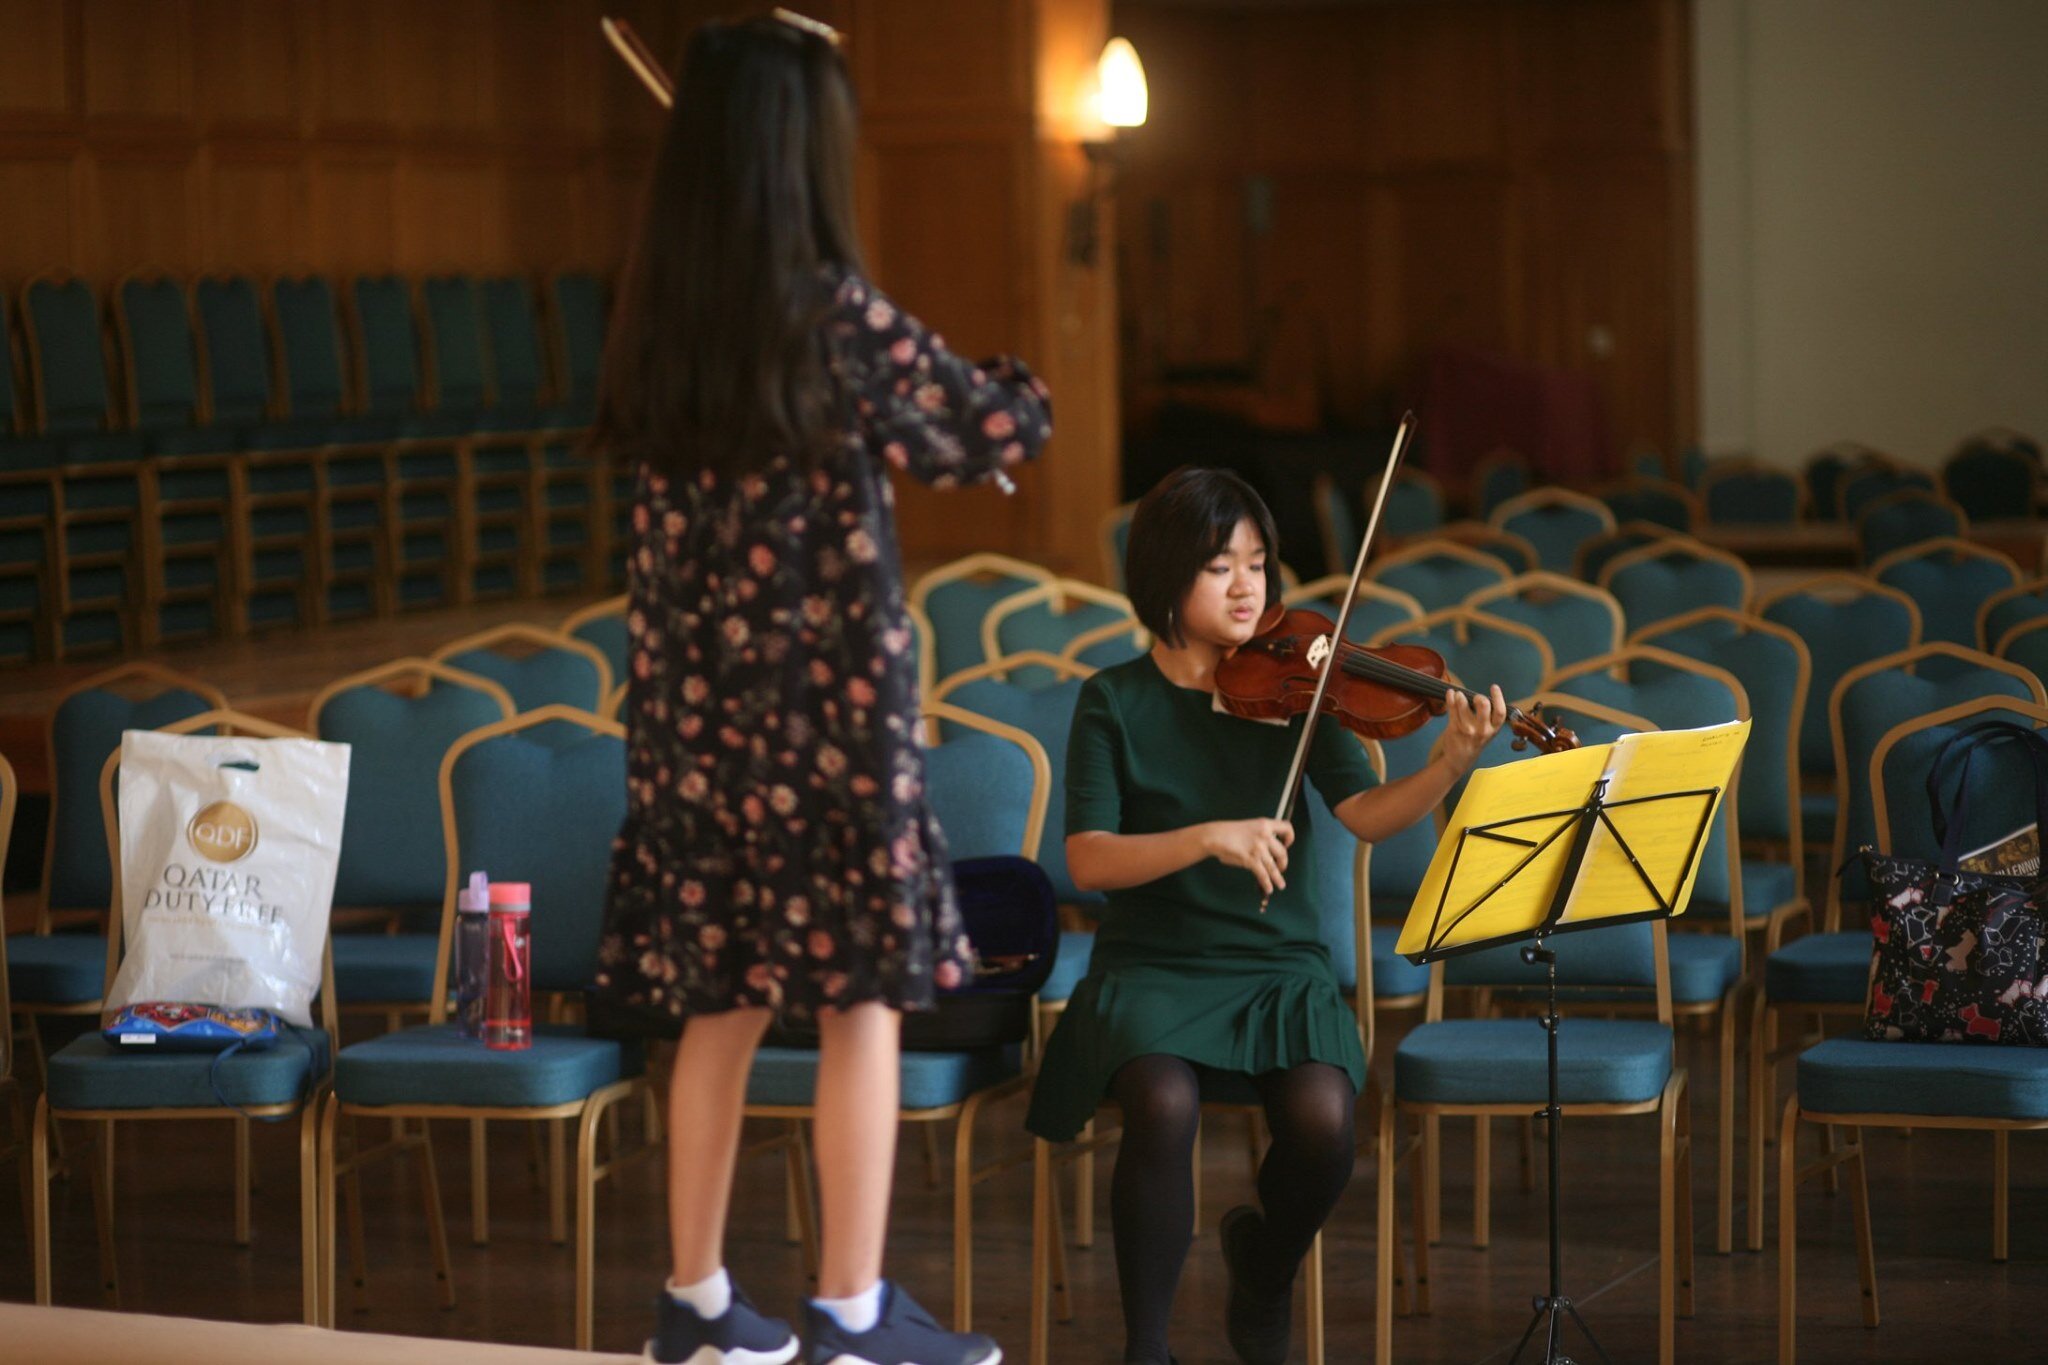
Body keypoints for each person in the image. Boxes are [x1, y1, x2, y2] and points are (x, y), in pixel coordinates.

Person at [587, 12, 1051, 1365]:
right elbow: (997, 425)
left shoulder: (662, 326)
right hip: (831, 733)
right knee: (864, 1003)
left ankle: (698, 1305)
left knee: (716, 1008)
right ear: (805, 159)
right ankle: (852, 1312)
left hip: (692, 731)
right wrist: (995, 379)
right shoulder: (830, 314)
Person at [1025, 467, 1505, 1365]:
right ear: (1165, 576)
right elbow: (1088, 858)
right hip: (1154, 963)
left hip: (1276, 964)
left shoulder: (1300, 684)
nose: (1249, 586)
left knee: (1328, 1122)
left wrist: (1447, 765)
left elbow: (1363, 816)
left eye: (1258, 562)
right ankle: (1147, 1349)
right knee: (1162, 1101)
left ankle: (1263, 1265)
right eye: (1220, 566)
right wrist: (1206, 836)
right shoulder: (1114, 698)